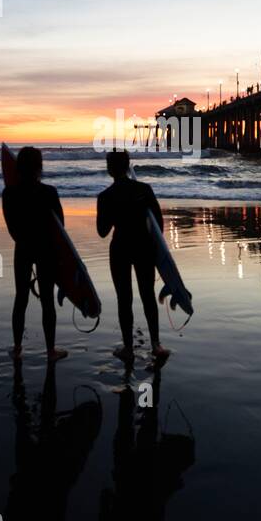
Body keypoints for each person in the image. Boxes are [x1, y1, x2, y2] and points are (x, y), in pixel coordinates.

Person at [96, 151, 167, 363]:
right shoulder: (144, 190)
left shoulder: (105, 196)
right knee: (147, 295)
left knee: (124, 298)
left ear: (109, 169)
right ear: (128, 166)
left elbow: (102, 231)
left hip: (120, 248)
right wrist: (157, 249)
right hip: (144, 246)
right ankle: (156, 344)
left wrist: (111, 212)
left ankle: (128, 348)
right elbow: (159, 224)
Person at [2, 146, 67, 361]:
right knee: (47, 300)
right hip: (46, 249)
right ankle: (50, 351)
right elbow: (60, 228)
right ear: (39, 166)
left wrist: (25, 241)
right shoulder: (49, 192)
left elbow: (11, 228)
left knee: (20, 298)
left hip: (22, 248)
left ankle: (18, 348)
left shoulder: (9, 193)